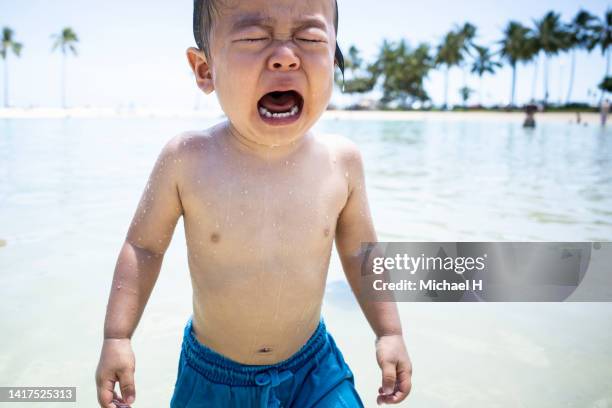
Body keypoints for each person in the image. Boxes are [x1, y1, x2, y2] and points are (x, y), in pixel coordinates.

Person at [95, 0, 412, 407]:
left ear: (333, 59)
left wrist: (390, 332)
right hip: (212, 376)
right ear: (205, 70)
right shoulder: (187, 159)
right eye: (253, 38)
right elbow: (144, 247)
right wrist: (117, 336)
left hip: (314, 369)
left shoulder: (341, 162)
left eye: (310, 38)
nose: (284, 57)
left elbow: (361, 253)